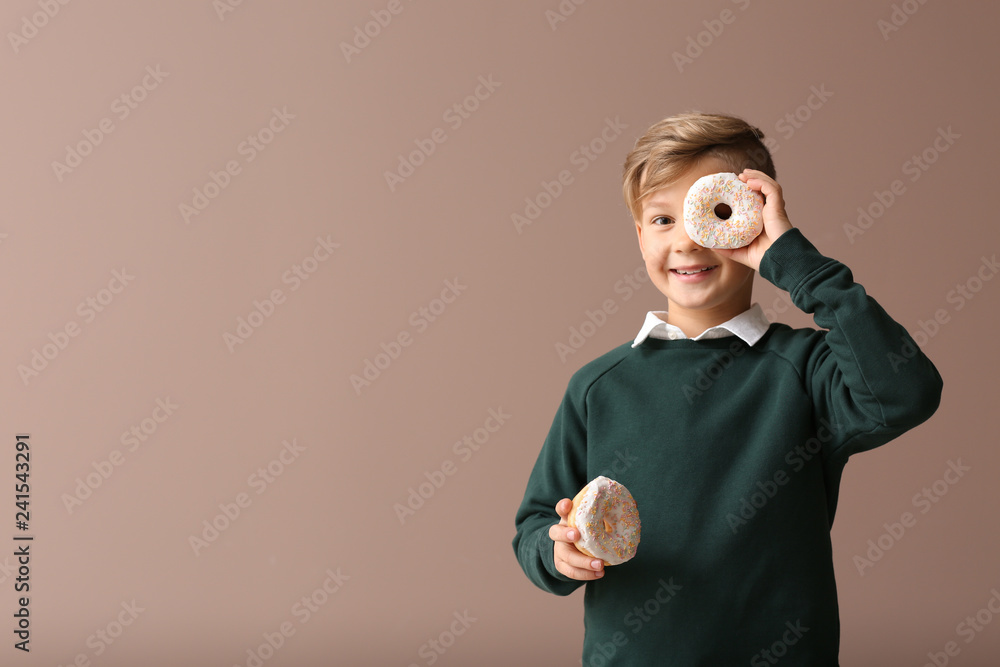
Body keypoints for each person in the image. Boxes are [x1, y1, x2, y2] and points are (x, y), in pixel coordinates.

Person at [511, 111, 943, 665]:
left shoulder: (805, 369)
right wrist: (557, 553)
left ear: (755, 220)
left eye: (712, 215)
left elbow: (906, 392)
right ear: (640, 235)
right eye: (663, 220)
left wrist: (794, 263)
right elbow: (536, 522)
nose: (687, 242)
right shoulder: (599, 386)